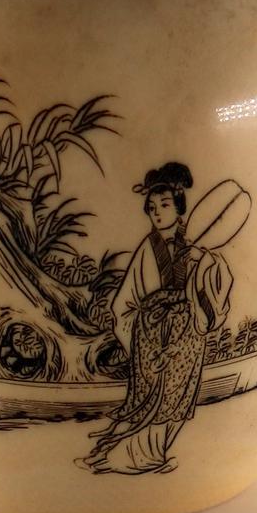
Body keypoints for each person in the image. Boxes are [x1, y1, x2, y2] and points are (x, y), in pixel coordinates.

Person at [77, 162, 233, 474]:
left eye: (164, 205)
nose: (157, 213)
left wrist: (203, 261)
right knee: (146, 401)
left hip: (186, 337)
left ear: (179, 206)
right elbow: (124, 302)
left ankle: (155, 454)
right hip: (151, 335)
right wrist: (139, 339)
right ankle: (119, 456)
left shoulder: (195, 246)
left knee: (176, 397)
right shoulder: (148, 248)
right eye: (151, 208)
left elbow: (219, 278)